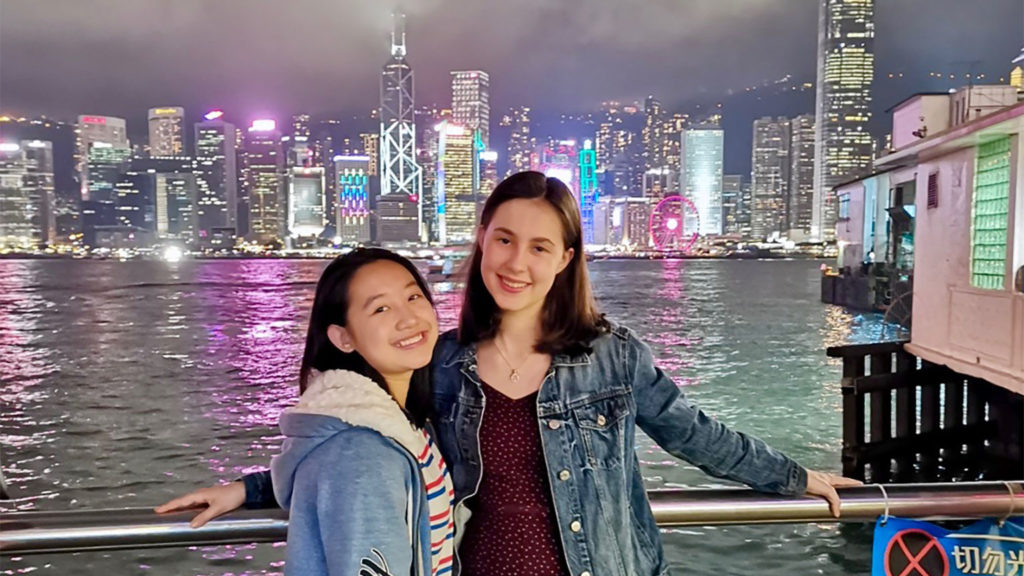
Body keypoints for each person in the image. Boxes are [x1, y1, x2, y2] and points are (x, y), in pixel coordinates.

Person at [160, 172, 859, 575]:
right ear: (482, 241)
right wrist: (251, 489)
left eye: (539, 246)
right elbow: (377, 444)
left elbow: (694, 434)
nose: (515, 262)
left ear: (565, 258)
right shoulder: (443, 360)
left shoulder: (614, 356)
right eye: (502, 239)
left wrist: (796, 479)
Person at [159, 248, 453, 576]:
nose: (409, 318)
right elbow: (355, 478)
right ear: (343, 338)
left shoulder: (398, 424)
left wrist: (253, 490)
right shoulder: (363, 453)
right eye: (381, 308)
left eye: (413, 296)